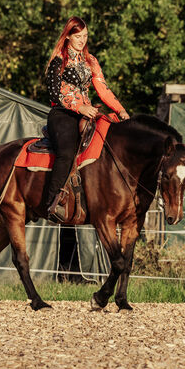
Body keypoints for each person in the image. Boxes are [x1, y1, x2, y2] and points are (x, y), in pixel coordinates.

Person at [44, 16, 130, 222]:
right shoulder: (58, 60)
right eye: (78, 36)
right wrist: (79, 106)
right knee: (66, 152)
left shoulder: (91, 61)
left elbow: (103, 90)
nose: (82, 40)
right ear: (68, 37)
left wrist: (121, 111)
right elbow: (54, 93)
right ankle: (50, 202)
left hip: (88, 113)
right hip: (63, 114)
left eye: (85, 36)